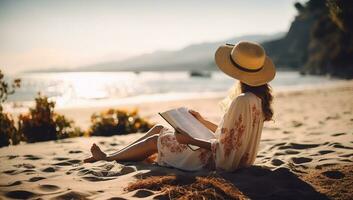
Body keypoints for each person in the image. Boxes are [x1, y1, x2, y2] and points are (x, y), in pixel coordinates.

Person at [84, 41, 276, 172]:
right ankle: (113, 156)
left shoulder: (241, 101)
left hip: (217, 162)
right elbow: (231, 137)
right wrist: (202, 121)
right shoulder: (255, 99)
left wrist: (189, 139)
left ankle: (107, 159)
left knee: (157, 140)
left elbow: (225, 149)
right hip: (238, 161)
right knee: (159, 129)